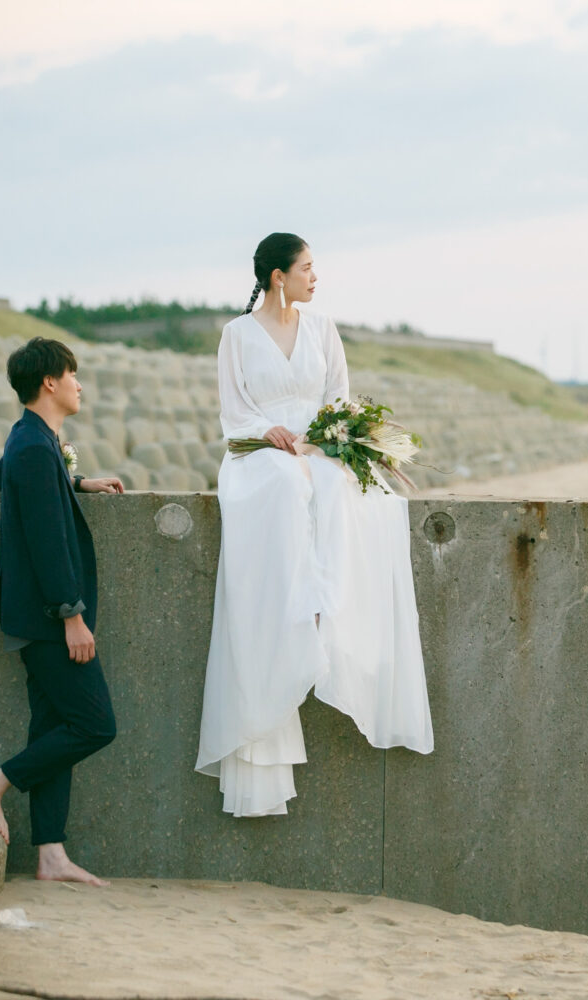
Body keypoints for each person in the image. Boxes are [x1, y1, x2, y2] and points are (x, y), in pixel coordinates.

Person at [196, 233, 433, 816]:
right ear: (278, 276)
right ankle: (297, 610)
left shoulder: (323, 328)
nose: (314, 276)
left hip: (319, 448)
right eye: (306, 267)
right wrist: (266, 434)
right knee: (283, 483)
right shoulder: (236, 335)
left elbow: (339, 398)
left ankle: (329, 612)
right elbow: (234, 412)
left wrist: (331, 438)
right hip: (259, 453)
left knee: (341, 485)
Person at [0, 336, 125, 886]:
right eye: (73, 374)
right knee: (95, 724)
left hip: (36, 618)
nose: (80, 384)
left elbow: (3, 483)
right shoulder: (34, 446)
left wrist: (76, 481)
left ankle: (51, 854)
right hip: (48, 619)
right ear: (50, 382)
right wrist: (71, 615)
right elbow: (47, 543)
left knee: (53, 727)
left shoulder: (31, 442)